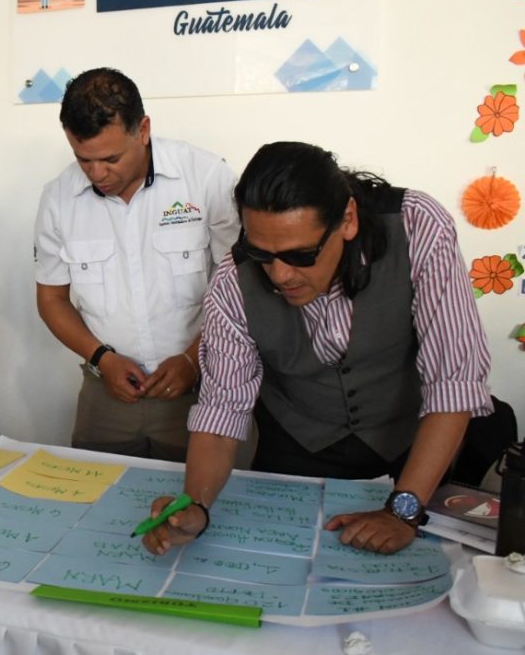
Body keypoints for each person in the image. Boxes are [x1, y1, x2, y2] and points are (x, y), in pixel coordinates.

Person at [142, 141, 493, 556]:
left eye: (301, 254)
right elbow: (222, 410)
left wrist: (403, 512)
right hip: (297, 451)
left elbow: (452, 382)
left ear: (347, 219)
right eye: (262, 254)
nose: (279, 275)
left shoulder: (416, 226)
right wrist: (196, 506)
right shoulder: (233, 282)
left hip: (412, 448)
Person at [34, 67, 240, 461]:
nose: (97, 174)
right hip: (106, 396)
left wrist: (192, 359)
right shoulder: (59, 199)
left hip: (202, 389)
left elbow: (242, 290)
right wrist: (102, 358)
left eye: (110, 158)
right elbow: (51, 300)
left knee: (198, 496)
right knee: (95, 494)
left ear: (143, 130)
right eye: (83, 159)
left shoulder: (205, 178)